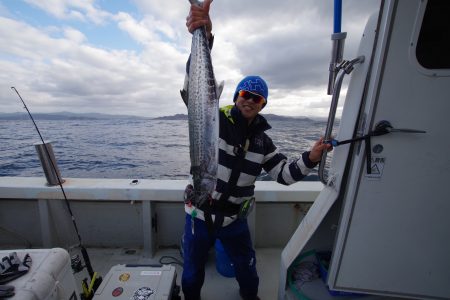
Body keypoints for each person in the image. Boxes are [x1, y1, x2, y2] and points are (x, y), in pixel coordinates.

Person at [182, 1, 332, 299]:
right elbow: (193, 92)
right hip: (198, 217)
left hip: (235, 222)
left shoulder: (263, 142)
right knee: (191, 273)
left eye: (257, 98)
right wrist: (204, 37)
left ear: (262, 105)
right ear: (236, 96)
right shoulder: (217, 120)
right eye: (245, 95)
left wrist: (311, 158)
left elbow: (284, 175)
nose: (249, 100)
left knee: (248, 274)